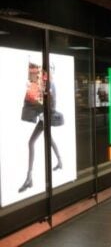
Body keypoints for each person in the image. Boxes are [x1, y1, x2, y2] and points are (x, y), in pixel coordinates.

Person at [19, 62, 63, 193]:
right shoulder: (46, 84)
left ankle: (29, 178)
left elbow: (53, 105)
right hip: (45, 117)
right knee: (48, 139)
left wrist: (43, 112)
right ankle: (60, 162)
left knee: (32, 141)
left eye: (49, 70)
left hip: (47, 117)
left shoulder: (51, 85)